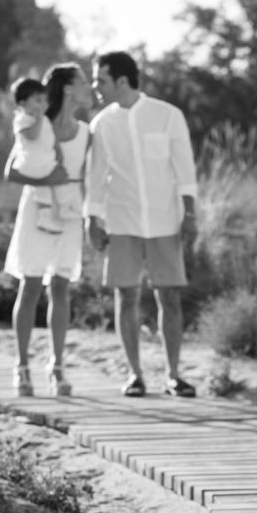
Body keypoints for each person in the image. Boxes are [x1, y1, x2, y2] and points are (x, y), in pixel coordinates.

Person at [85, 51, 198, 398]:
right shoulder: (101, 123)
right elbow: (96, 175)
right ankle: (134, 375)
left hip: (166, 220)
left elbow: (184, 168)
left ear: (121, 80)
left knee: (170, 297)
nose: (95, 87)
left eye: (100, 80)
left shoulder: (168, 115)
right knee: (126, 295)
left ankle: (174, 376)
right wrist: (93, 218)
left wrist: (190, 213)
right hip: (121, 221)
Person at [4, 63, 93, 397]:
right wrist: (45, 179)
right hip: (37, 204)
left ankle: (57, 366)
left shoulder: (86, 131)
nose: (88, 87)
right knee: (29, 285)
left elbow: (91, 175)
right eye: (83, 81)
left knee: (61, 285)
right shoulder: (37, 124)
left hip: (69, 208)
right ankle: (22, 366)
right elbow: (11, 171)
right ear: (68, 88)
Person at [9, 77, 65, 234]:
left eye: (44, 100)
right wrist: (39, 119)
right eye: (38, 100)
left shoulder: (44, 119)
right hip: (32, 162)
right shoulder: (22, 120)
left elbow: (51, 139)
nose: (43, 105)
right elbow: (32, 136)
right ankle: (45, 217)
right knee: (46, 184)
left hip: (44, 160)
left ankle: (48, 214)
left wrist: (58, 153)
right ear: (22, 103)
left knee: (47, 186)